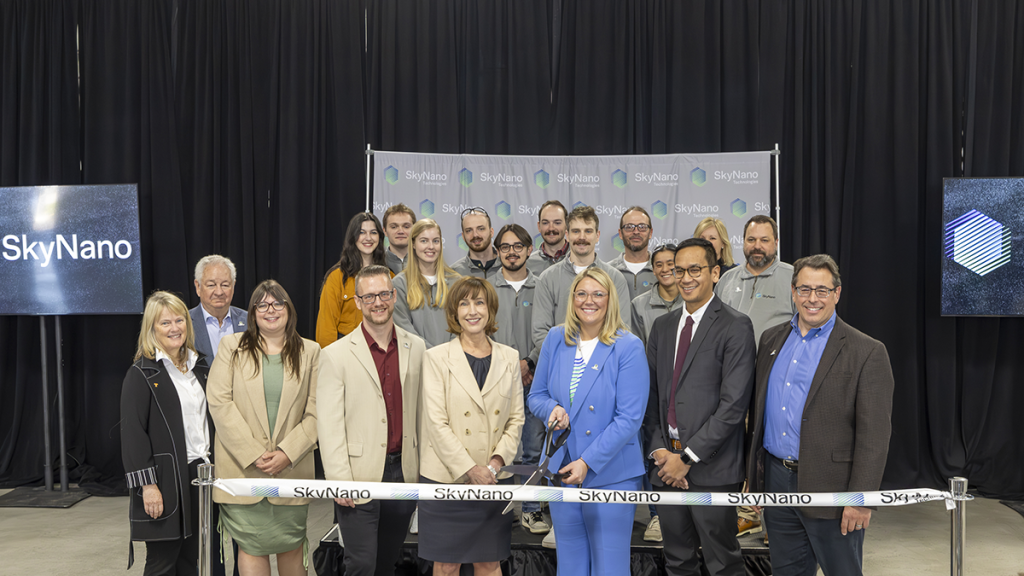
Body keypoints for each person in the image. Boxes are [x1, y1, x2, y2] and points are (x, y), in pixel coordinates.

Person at [746, 254, 894, 576]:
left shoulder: (866, 351)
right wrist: (755, 479)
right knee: (787, 571)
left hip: (834, 490)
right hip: (776, 482)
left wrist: (861, 498)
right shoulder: (771, 339)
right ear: (793, 291)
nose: (812, 298)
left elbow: (875, 436)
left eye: (822, 290)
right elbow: (758, 417)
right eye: (804, 289)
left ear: (837, 294)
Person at [643, 238, 756, 576]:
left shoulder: (736, 326)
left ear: (715, 272)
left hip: (712, 469)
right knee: (677, 560)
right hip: (666, 467)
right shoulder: (662, 327)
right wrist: (661, 452)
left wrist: (687, 459)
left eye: (695, 269)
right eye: (679, 271)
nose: (686, 278)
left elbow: (733, 406)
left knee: (723, 562)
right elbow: (650, 398)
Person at [528, 268, 649, 574]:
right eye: (581, 293)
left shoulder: (628, 346)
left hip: (611, 472)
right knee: (570, 565)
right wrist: (551, 409)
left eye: (598, 294)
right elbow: (536, 396)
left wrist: (587, 461)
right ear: (572, 299)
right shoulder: (556, 339)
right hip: (561, 469)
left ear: (611, 300)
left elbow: (629, 418)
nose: (589, 301)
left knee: (609, 567)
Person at [318, 265, 427, 576]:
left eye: (383, 294)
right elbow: (329, 424)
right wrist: (339, 478)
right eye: (369, 296)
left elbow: (422, 414)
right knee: (361, 564)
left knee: (386, 561)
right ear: (357, 302)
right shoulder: (335, 355)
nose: (377, 302)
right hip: (357, 473)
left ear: (393, 296)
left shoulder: (416, 347)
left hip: (402, 471)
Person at [207, 280, 319, 576]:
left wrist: (287, 452)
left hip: (291, 471)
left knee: (292, 545)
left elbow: (318, 411)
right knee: (251, 547)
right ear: (253, 312)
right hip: (244, 472)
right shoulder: (231, 347)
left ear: (288, 309)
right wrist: (253, 453)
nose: (271, 310)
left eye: (278, 303)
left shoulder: (312, 351)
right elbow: (219, 402)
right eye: (263, 304)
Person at [418, 276, 525, 576]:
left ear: (491, 309)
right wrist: (470, 469)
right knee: (447, 565)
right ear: (454, 312)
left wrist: (493, 465)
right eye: (463, 303)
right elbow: (436, 423)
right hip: (447, 478)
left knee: (489, 563)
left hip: (493, 479)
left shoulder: (510, 357)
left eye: (479, 302)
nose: (472, 310)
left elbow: (516, 420)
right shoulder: (436, 358)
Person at [121, 291, 217, 575]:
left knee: (192, 559)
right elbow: (133, 435)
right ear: (152, 329)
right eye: (165, 323)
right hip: (165, 479)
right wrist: (148, 486)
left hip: (203, 474)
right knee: (163, 561)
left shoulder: (200, 366)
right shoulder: (141, 374)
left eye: (179, 320)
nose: (174, 328)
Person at [491, 223, 547, 534]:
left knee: (533, 448)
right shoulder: (484, 287)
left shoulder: (544, 286)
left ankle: (531, 509)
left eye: (518, 246)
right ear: (497, 251)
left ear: (529, 249)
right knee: (498, 447)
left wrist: (528, 363)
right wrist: (511, 367)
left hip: (536, 381)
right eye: (505, 247)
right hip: (497, 382)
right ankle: (500, 508)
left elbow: (550, 331)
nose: (511, 252)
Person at [532, 205, 631, 360]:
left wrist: (593, 361)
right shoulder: (547, 279)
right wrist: (567, 360)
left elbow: (622, 329)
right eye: (576, 231)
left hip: (602, 367)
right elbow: (540, 332)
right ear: (567, 235)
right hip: (559, 364)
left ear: (597, 235)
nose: (582, 237)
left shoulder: (615, 278)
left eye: (588, 231)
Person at [715, 215, 796, 346]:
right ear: (743, 241)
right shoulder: (726, 280)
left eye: (764, 240)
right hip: (732, 363)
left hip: (775, 364)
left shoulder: (794, 278)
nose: (757, 246)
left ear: (776, 243)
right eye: (751, 240)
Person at [316, 212, 391, 348]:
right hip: (345, 350)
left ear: (380, 237)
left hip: (381, 348)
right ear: (353, 237)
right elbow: (326, 327)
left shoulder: (390, 276)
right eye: (362, 232)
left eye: (373, 232)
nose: (368, 238)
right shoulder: (337, 277)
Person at [393, 218, 462, 348]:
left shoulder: (456, 281)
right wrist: (433, 355)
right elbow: (404, 330)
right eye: (424, 241)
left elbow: (461, 324)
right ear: (413, 244)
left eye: (435, 241)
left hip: (451, 359)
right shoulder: (399, 284)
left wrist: (448, 353)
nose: (431, 246)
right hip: (415, 361)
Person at [190, 255, 248, 361]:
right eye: (211, 285)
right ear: (198, 286)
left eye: (225, 285)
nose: (219, 292)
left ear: (233, 286)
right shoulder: (184, 323)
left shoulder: (250, 321)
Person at [630, 243, 682, 348]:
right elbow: (636, 348)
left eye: (670, 263)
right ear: (653, 270)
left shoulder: (692, 301)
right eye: (659, 265)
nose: (664, 269)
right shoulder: (638, 304)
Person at [607, 206, 658, 302]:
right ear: (620, 233)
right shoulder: (607, 271)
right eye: (629, 227)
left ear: (650, 233)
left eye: (642, 227)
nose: (636, 232)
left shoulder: (662, 271)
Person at [450, 207, 502, 280]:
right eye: (469, 230)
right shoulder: (453, 273)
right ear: (463, 237)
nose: (475, 235)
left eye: (481, 229)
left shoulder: (507, 266)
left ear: (491, 232)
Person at [526, 200, 570, 275]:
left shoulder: (579, 259)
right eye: (545, 223)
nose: (551, 228)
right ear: (539, 226)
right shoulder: (527, 264)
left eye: (557, 223)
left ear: (566, 225)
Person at [382, 203, 416, 275]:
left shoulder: (425, 262)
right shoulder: (377, 263)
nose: (400, 231)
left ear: (414, 230)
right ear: (385, 231)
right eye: (394, 227)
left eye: (406, 227)